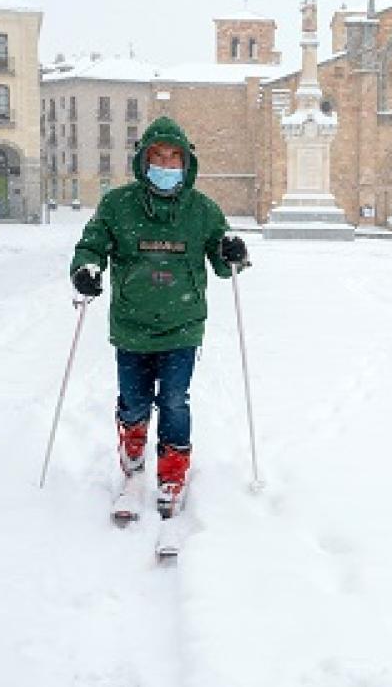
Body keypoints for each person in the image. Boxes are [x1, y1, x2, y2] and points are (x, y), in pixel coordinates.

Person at [70, 116, 248, 517]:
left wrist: (233, 253)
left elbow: (224, 263)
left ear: (186, 164)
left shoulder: (202, 210)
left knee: (173, 401)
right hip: (131, 325)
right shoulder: (118, 205)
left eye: (173, 158)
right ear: (144, 160)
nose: (166, 166)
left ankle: (173, 472)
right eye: (158, 157)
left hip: (182, 326)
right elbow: (92, 245)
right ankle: (132, 458)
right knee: (133, 403)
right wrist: (86, 269)